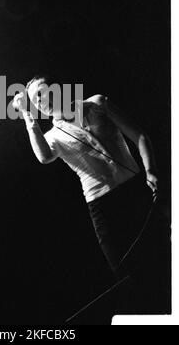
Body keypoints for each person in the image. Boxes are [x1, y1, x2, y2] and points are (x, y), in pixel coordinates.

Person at [13, 76, 159, 280]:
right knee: (128, 277)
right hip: (103, 209)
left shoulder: (97, 104)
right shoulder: (53, 137)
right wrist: (27, 116)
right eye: (34, 101)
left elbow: (140, 136)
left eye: (41, 93)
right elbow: (44, 156)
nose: (39, 101)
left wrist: (150, 171)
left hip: (134, 192)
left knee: (158, 259)